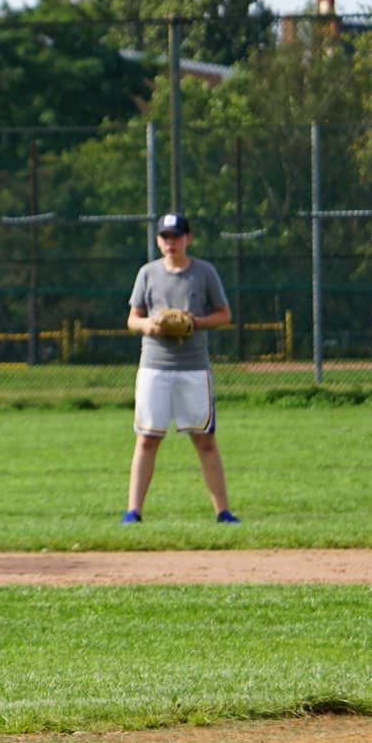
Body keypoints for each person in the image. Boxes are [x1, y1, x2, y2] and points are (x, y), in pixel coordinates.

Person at [123, 212, 238, 524]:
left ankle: (223, 512)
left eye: (176, 236)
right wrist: (150, 325)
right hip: (154, 367)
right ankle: (133, 512)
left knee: (204, 439)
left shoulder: (204, 273)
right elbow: (133, 318)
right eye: (165, 237)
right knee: (147, 438)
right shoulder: (147, 273)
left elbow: (224, 314)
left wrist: (194, 322)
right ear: (159, 240)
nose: (170, 242)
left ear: (188, 238)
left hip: (194, 368)